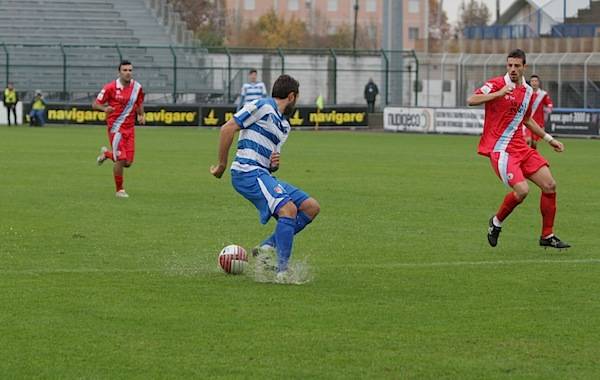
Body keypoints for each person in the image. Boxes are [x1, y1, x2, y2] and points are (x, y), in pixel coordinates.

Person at [210, 74, 320, 282]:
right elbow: (227, 128)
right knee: (289, 210)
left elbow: (271, 164)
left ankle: (266, 247)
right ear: (291, 96)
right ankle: (282, 272)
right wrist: (221, 165)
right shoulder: (262, 106)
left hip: (262, 172)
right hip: (246, 171)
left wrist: (274, 165)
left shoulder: (284, 126)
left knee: (311, 207)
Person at [467, 48, 570, 249]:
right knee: (522, 191)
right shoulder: (496, 84)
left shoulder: (528, 92)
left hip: (520, 147)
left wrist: (549, 139)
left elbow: (527, 120)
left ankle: (547, 235)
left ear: (524, 67)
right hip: (500, 150)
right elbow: (472, 100)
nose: (513, 69)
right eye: (510, 65)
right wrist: (499, 93)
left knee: (550, 185)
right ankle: (496, 223)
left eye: (517, 66)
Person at [93, 60, 145, 198]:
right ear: (119, 72)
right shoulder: (110, 87)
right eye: (125, 70)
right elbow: (95, 104)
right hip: (115, 128)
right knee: (121, 159)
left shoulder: (137, 87)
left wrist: (141, 114)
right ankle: (119, 190)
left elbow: (139, 102)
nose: (128, 73)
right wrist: (105, 108)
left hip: (130, 129)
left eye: (130, 70)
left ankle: (107, 154)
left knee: (128, 163)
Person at [523, 74, 553, 149]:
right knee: (527, 140)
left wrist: (546, 109)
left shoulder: (543, 94)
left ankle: (532, 158)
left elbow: (549, 105)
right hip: (527, 121)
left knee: (534, 143)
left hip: (538, 123)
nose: (534, 83)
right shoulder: (526, 93)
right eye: (532, 81)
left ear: (538, 83)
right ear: (530, 82)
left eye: (536, 81)